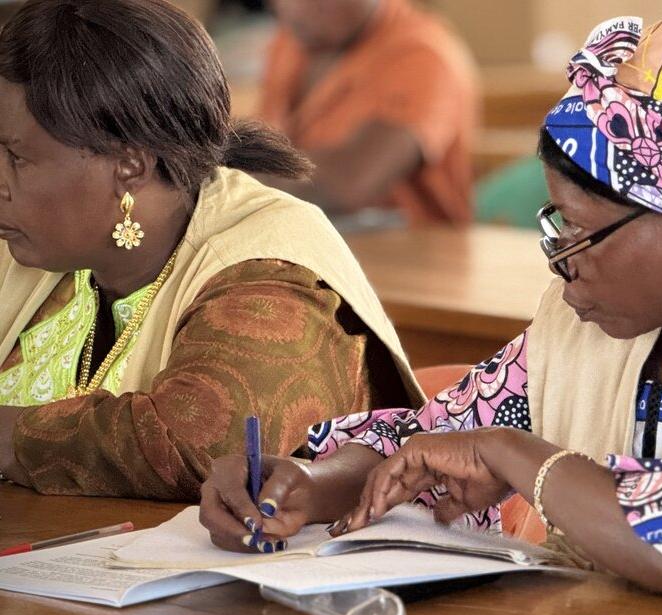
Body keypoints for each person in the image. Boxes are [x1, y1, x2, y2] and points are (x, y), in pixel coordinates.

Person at [201, 8, 662, 615]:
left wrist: (513, 456)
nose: (561, 261)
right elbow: (432, 442)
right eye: (552, 225)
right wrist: (306, 479)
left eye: (582, 233)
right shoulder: (591, 327)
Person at [0, 0, 422, 504]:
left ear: (130, 165)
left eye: (15, 157)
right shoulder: (36, 246)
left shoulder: (270, 270)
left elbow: (204, 443)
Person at [258, 0, 478, 228]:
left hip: (412, 255)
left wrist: (240, 176)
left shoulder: (422, 54)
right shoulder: (289, 43)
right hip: (310, 241)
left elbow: (347, 182)